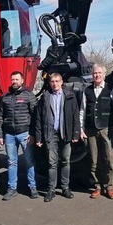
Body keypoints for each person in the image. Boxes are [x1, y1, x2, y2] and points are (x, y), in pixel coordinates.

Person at [35, 73, 80, 202]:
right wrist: (38, 137)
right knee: (52, 163)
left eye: (57, 81)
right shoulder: (45, 97)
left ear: (62, 82)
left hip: (65, 133)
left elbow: (75, 116)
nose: (54, 83)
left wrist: (75, 133)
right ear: (49, 83)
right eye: (52, 81)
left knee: (66, 161)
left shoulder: (69, 96)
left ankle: (65, 187)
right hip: (50, 134)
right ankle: (51, 189)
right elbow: (39, 118)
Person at [0, 71, 38, 201]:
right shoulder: (6, 97)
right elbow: (0, 117)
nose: (14, 81)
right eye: (13, 79)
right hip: (9, 135)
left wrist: (32, 134)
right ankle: (12, 188)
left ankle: (32, 187)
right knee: (11, 162)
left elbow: (35, 117)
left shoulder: (29, 96)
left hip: (25, 134)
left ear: (22, 80)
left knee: (29, 161)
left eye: (17, 79)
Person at [80, 64, 113, 199]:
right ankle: (97, 186)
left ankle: (109, 186)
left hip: (106, 129)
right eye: (95, 73)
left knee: (108, 158)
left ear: (104, 74)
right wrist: (81, 129)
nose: (97, 75)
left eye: (99, 73)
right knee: (93, 160)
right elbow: (82, 111)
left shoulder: (111, 89)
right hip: (90, 130)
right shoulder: (87, 90)